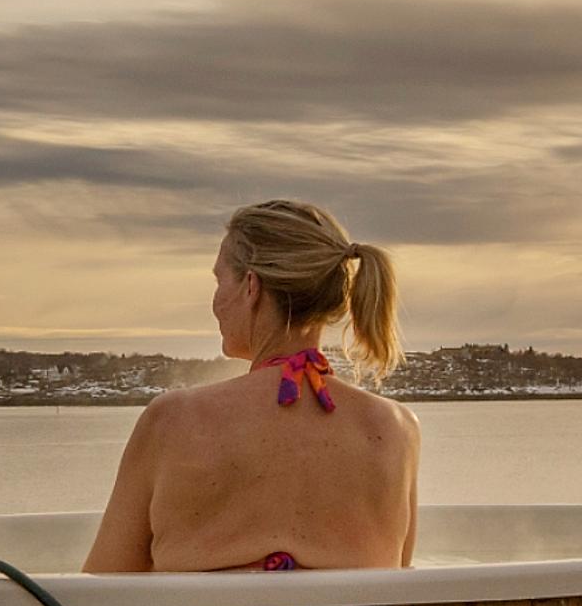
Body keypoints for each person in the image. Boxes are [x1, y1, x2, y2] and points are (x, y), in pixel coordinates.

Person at [82, 199, 422, 572]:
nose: (215, 300)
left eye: (218, 280)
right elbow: (399, 585)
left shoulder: (174, 421)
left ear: (250, 286)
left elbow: (101, 588)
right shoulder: (396, 429)